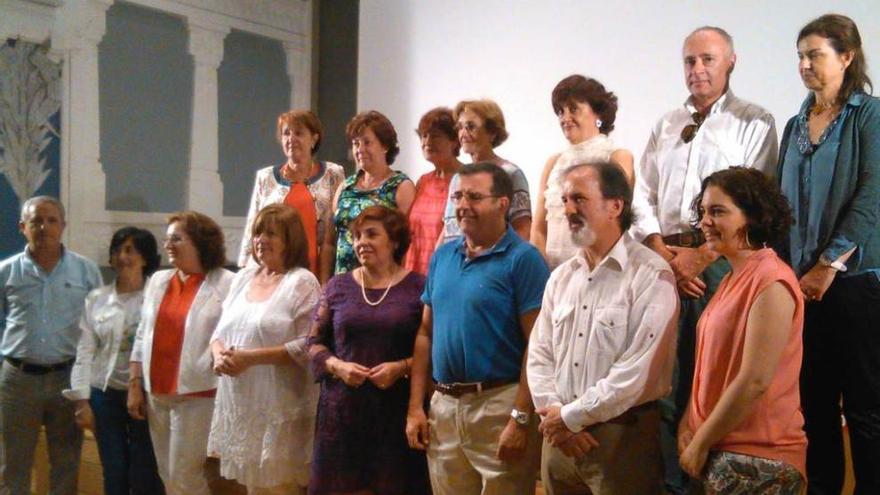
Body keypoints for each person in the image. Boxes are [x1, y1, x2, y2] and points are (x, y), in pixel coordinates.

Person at [630, 26, 778, 493]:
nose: (697, 70)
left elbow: (758, 197)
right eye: (690, 61)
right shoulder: (666, 122)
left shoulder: (755, 121)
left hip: (722, 260)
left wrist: (704, 254)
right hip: (663, 257)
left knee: (713, 377)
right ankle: (672, 484)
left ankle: (708, 480)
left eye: (708, 60)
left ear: (730, 61)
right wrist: (662, 253)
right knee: (663, 384)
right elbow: (642, 196)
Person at [527, 162, 678, 494]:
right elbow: (539, 355)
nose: (568, 209)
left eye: (579, 199)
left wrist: (569, 418)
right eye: (565, 200)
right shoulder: (562, 277)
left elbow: (636, 372)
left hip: (620, 436)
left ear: (615, 206)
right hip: (558, 437)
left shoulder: (651, 274)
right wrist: (558, 418)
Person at [776, 13, 880, 493]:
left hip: (853, 282)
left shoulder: (871, 116)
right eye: (800, 55)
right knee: (813, 405)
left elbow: (872, 196)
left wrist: (827, 265)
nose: (804, 64)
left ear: (847, 56)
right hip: (801, 285)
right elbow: (781, 207)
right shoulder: (795, 124)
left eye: (814, 54)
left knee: (864, 407)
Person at [407, 163, 550, 495]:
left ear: (503, 203)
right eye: (458, 196)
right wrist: (416, 407)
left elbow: (538, 344)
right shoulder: (442, 257)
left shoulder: (524, 260)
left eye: (474, 196)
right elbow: (425, 333)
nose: (462, 205)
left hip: (499, 406)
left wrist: (520, 417)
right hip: (443, 408)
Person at [680, 167, 806, 493]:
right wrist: (689, 423)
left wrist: (700, 442)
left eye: (718, 211)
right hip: (720, 447)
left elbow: (755, 380)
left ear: (752, 216)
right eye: (703, 211)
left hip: (758, 457)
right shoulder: (730, 279)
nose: (705, 221)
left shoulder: (771, 280)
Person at [308, 205, 430, 495]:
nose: (362, 242)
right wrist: (338, 366)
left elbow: (433, 349)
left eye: (372, 234)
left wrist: (400, 367)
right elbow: (313, 344)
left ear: (395, 241)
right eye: (358, 236)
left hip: (397, 414)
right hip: (341, 416)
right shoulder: (336, 287)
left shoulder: (419, 288)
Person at [209, 204, 320, 494]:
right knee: (253, 487)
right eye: (258, 232)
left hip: (279, 407)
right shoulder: (244, 277)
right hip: (243, 404)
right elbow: (219, 332)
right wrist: (220, 355)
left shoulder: (302, 282)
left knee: (281, 487)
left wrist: (249, 359)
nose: (261, 240)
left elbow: (307, 345)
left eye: (271, 233)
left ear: (291, 240)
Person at [0, 196, 102, 494]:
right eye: (36, 221)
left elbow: (97, 329)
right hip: (17, 381)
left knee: (67, 462)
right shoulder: (6, 271)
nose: (44, 227)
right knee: (12, 464)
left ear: (63, 225)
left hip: (67, 379)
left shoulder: (85, 271)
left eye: (51, 220)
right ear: (22, 227)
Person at [128, 211, 234, 495]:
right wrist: (135, 384)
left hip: (198, 394)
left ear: (200, 241)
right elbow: (141, 335)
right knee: (168, 476)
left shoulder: (226, 282)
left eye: (176, 238)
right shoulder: (158, 280)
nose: (168, 245)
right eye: (167, 239)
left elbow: (232, 334)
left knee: (186, 476)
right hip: (156, 392)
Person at [63, 227, 164, 495]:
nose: (122, 256)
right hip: (104, 395)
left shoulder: (155, 299)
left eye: (130, 250)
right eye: (117, 250)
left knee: (144, 470)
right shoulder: (97, 299)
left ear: (145, 257)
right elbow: (85, 351)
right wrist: (82, 401)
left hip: (145, 396)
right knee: (114, 468)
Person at [531, 75, 635, 269]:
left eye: (573, 109)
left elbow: (615, 222)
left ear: (598, 115)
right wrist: (543, 275)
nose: (565, 118)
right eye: (560, 112)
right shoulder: (553, 163)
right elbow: (538, 230)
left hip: (599, 270)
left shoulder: (618, 157)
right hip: (553, 274)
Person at [238, 110, 345, 281]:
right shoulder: (265, 177)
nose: (291, 139)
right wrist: (246, 276)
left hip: (318, 271)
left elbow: (340, 229)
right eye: (286, 133)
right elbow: (252, 229)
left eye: (299, 133)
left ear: (314, 139)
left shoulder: (333, 173)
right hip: (273, 272)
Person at [325, 110, 416, 275]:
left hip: (382, 283)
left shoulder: (401, 187)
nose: (360, 149)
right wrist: (325, 283)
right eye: (355, 143)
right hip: (343, 283)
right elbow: (329, 243)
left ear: (385, 146)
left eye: (367, 142)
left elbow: (407, 244)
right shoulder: (345, 187)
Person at [438, 99, 532, 244]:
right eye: (460, 127)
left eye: (470, 126)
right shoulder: (458, 178)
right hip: (457, 261)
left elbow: (523, 229)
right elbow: (449, 229)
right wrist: (437, 261)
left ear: (492, 133)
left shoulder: (511, 174)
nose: (463, 133)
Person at [404, 107, 463, 275]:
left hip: (444, 273)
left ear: (454, 141)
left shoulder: (466, 180)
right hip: (413, 273)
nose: (427, 141)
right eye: (424, 135)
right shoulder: (423, 181)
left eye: (435, 136)